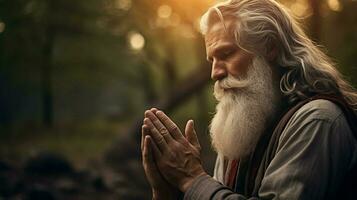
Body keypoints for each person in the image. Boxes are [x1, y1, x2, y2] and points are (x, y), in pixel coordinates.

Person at [140, 0, 357, 199]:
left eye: (226, 54)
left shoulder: (318, 120)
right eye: (212, 59)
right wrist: (167, 191)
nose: (215, 72)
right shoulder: (242, 128)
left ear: (269, 47)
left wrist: (193, 179)